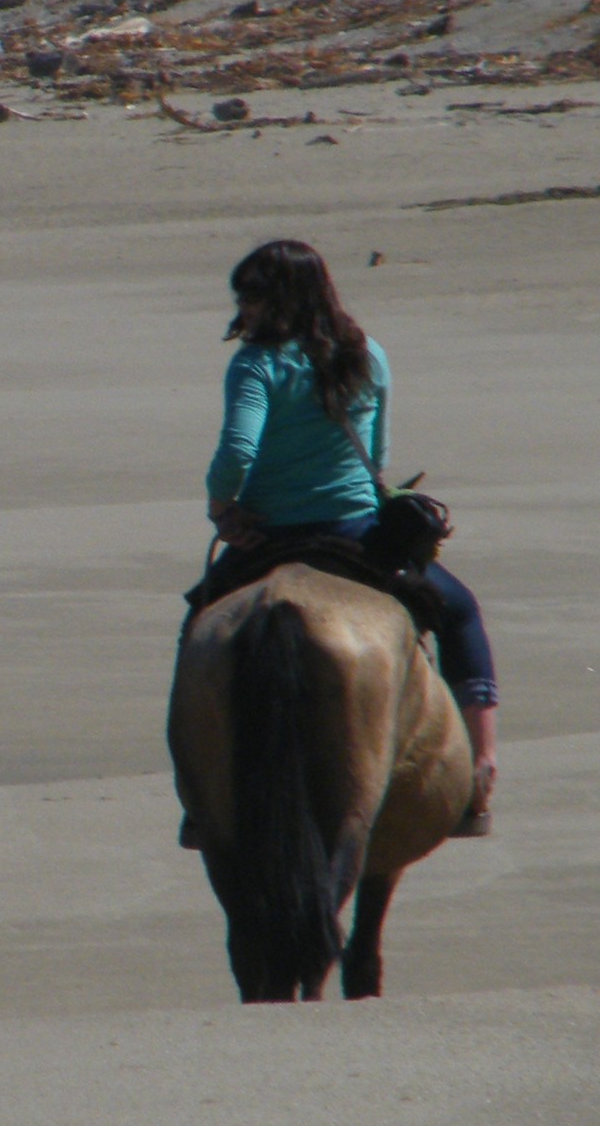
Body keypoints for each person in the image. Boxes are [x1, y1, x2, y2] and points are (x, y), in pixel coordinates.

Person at [191, 239, 498, 836]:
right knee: (459, 612)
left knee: (197, 628)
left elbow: (237, 451)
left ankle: (200, 795)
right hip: (357, 534)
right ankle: (480, 769)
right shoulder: (368, 354)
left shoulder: (256, 363)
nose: (244, 309)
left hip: (269, 540)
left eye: (252, 296)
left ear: (278, 299)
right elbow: (377, 456)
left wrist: (222, 509)